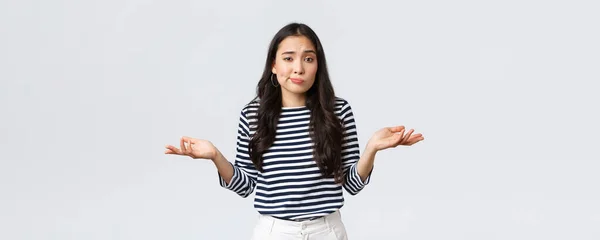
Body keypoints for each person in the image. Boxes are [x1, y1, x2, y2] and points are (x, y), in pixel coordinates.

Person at [164, 22, 424, 240]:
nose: (298, 67)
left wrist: (371, 149)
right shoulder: (253, 116)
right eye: (288, 58)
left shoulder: (338, 112)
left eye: (308, 59)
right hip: (275, 232)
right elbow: (246, 186)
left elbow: (352, 184)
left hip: (327, 231)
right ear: (274, 66)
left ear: (317, 66)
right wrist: (215, 156)